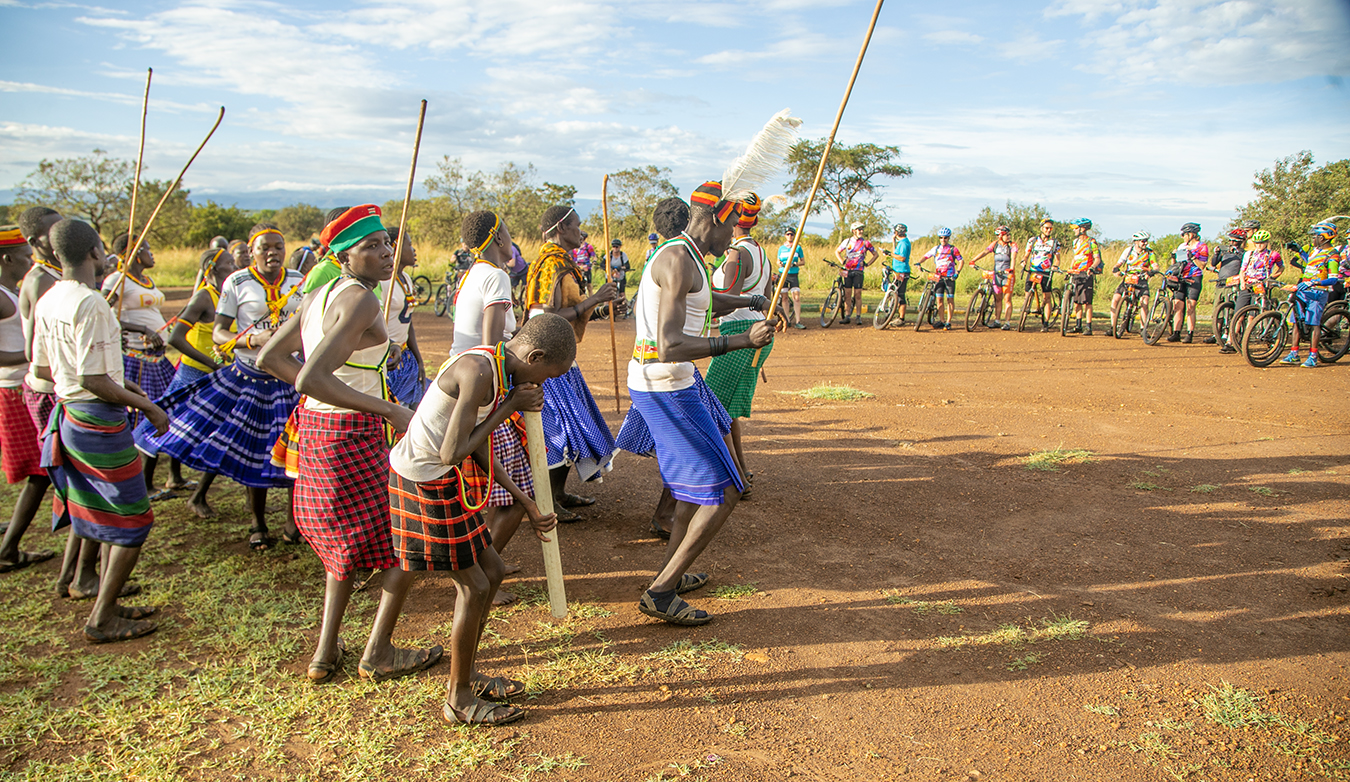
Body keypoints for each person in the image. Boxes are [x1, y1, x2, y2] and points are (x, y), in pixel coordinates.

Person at [258, 204, 442, 684]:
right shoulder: (360, 299)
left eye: (386, 242)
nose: (386, 252)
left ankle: (325, 652)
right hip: (353, 433)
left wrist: (335, 395)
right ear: (343, 256)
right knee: (410, 536)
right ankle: (377, 651)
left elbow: (271, 357)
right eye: (371, 246)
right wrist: (387, 409)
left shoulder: (318, 295)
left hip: (319, 430)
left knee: (344, 542)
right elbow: (310, 377)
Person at [388, 314, 571, 725]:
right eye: (547, 375)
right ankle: (458, 698)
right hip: (423, 481)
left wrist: (525, 501)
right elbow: (452, 452)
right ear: (534, 357)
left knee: (494, 570)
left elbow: (475, 444)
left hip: (442, 478)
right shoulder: (478, 370)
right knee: (475, 585)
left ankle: (468, 674)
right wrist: (509, 408)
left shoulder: (499, 369)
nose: (543, 384)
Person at [615, 186, 774, 626]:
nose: (735, 236)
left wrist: (749, 302)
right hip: (665, 384)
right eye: (733, 224)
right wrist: (742, 339)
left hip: (673, 382)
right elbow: (669, 345)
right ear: (717, 218)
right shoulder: (677, 259)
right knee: (725, 491)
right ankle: (661, 592)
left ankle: (670, 574)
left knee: (693, 492)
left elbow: (705, 301)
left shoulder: (687, 256)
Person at [32, 218, 165, 642]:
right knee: (133, 520)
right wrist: (148, 406)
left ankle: (85, 581)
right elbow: (92, 379)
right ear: (95, 252)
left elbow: (49, 369)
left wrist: (123, 385)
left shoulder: (51, 297)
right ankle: (102, 619)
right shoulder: (91, 303)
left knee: (96, 510)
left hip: (71, 414)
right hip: (97, 420)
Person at [141, 223, 303, 550]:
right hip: (251, 376)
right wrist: (254, 339)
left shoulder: (299, 281)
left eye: (278, 247)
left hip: (291, 377)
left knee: (294, 451)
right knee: (255, 452)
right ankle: (257, 523)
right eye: (264, 248)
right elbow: (219, 333)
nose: (272, 253)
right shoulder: (237, 282)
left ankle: (292, 521)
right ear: (252, 252)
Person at [451, 211, 537, 603]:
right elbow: (490, 343)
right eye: (508, 233)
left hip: (467, 382)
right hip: (483, 387)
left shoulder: (473, 273)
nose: (511, 241)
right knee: (515, 491)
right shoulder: (497, 276)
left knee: (490, 488)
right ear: (498, 238)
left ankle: (486, 560)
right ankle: (484, 571)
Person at [15, 206, 102, 597]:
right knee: (79, 483)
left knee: (80, 483)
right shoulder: (40, 282)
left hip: (66, 389)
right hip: (56, 392)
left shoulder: (60, 281)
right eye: (53, 233)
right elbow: (38, 355)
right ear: (37, 242)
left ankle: (73, 575)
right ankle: (77, 575)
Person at [523, 205, 621, 525]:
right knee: (561, 431)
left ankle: (559, 493)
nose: (582, 232)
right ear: (561, 228)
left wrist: (603, 308)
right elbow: (545, 318)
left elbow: (572, 312)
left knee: (573, 427)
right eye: (577, 225)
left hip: (562, 357)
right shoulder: (550, 264)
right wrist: (595, 299)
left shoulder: (563, 263)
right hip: (547, 360)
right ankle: (548, 499)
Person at [133, 248, 236, 516]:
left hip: (218, 375)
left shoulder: (231, 295)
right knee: (162, 425)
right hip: (193, 374)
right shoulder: (204, 297)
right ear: (212, 269)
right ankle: (145, 485)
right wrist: (211, 363)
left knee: (222, 434)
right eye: (229, 263)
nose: (234, 266)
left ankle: (193, 492)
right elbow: (176, 338)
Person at [705, 193, 774, 496]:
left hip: (738, 333)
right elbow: (767, 298)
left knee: (711, 407)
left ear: (733, 221)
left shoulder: (736, 254)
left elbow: (729, 300)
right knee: (726, 409)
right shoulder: (762, 253)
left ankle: (737, 479)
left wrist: (701, 306)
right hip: (757, 332)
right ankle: (741, 470)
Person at [0, 226, 55, 574]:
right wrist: (32, 355)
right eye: (25, 256)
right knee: (39, 471)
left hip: (22, 384)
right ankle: (8, 550)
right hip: (13, 388)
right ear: (7, 258)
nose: (30, 261)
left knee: (41, 469)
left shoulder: (13, 291)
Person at [103, 235, 175, 434]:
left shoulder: (146, 281)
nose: (152, 254)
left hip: (157, 358)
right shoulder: (117, 280)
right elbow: (103, 314)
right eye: (147, 249)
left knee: (165, 407)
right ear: (135, 254)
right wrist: (142, 329)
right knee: (141, 414)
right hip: (137, 358)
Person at [1280, 221, 1340, 367]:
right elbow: (1311, 264)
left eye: (1315, 236)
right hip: (1304, 290)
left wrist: (1314, 282)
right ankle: (1294, 354)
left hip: (1318, 292)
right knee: (1296, 321)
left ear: (1323, 237)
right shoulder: (1315, 251)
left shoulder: (1332, 255)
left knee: (1314, 324)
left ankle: (1313, 356)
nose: (1312, 239)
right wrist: (1300, 251)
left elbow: (1333, 278)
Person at [385, 226, 428, 409]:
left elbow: (408, 323)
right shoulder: (384, 283)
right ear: (395, 248)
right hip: (389, 359)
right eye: (409, 245)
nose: (413, 250)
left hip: (405, 358)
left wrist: (419, 359)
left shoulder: (406, 279)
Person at [1226, 230, 1284, 354]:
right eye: (1257, 243)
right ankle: (1230, 341)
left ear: (1266, 242)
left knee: (1252, 315)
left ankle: (1244, 342)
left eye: (1261, 243)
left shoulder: (1273, 255)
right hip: (1248, 285)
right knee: (1238, 314)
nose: (1259, 245)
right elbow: (1243, 269)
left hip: (1261, 286)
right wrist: (1242, 282)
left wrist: (1273, 277)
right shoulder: (1249, 254)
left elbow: (1281, 267)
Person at [1108, 231, 1159, 337]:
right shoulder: (1129, 251)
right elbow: (1119, 263)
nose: (1145, 243)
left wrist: (1152, 272)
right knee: (1115, 299)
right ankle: (1113, 326)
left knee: (1144, 301)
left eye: (1146, 241)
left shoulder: (1150, 253)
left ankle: (1143, 328)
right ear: (1136, 242)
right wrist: (1116, 268)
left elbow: (1155, 265)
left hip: (1141, 279)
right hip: (1128, 278)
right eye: (1143, 241)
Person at [967, 226, 1019, 329]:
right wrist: (973, 260)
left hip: (1007, 275)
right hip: (997, 274)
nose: (1009, 236)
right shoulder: (995, 244)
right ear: (1000, 236)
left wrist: (1011, 268)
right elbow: (985, 252)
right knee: (998, 298)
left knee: (1007, 299)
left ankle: (1007, 322)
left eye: (1009, 234)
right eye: (1006, 235)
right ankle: (997, 321)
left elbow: (1013, 257)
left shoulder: (1012, 245)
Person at [1021, 219, 1061, 331]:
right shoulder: (1032, 240)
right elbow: (1026, 254)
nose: (1048, 230)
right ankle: (1022, 320)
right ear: (1041, 228)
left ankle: (1046, 323)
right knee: (1027, 295)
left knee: (1046, 297)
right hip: (1033, 270)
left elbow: (1057, 259)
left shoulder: (1054, 243)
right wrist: (1024, 261)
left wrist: (1055, 266)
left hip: (1046, 272)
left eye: (1050, 228)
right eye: (1046, 228)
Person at [920, 228, 963, 329]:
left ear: (948, 238)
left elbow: (961, 260)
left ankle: (948, 322)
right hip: (938, 277)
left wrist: (957, 272)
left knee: (950, 299)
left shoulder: (953, 249)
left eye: (945, 238)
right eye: (941, 237)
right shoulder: (936, 249)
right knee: (939, 299)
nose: (943, 239)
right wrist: (919, 262)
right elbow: (926, 256)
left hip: (949, 277)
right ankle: (942, 321)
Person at [834, 221, 877, 324]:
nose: (861, 231)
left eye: (862, 229)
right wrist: (842, 261)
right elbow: (837, 251)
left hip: (859, 271)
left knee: (858, 294)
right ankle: (847, 315)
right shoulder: (847, 241)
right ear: (853, 231)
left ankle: (858, 316)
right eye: (859, 229)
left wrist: (867, 264)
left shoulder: (866, 243)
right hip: (848, 271)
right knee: (847, 294)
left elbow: (875, 254)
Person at [1065, 218, 1102, 335]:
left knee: (1087, 301)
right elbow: (1075, 257)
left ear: (1082, 229)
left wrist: (1092, 268)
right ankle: (1078, 325)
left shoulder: (1091, 242)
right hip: (1076, 272)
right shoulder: (1075, 242)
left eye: (1076, 228)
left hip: (1086, 273)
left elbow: (1097, 258)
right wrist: (1070, 269)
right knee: (1077, 300)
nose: (1074, 230)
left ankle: (1088, 327)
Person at [884, 223, 912, 327]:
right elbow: (896, 253)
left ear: (896, 232)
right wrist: (894, 242)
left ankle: (901, 318)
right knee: (894, 292)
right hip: (897, 271)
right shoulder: (901, 242)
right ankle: (893, 314)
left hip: (902, 271)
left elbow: (902, 258)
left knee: (900, 294)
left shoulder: (904, 243)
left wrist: (889, 254)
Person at [608, 238, 631, 306]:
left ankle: (625, 307)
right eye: (613, 246)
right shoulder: (609, 255)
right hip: (611, 277)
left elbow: (627, 266)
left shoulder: (623, 255)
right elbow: (603, 264)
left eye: (617, 247)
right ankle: (606, 308)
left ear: (620, 247)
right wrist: (611, 269)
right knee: (608, 293)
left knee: (622, 293)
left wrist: (620, 268)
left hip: (620, 277)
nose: (615, 248)